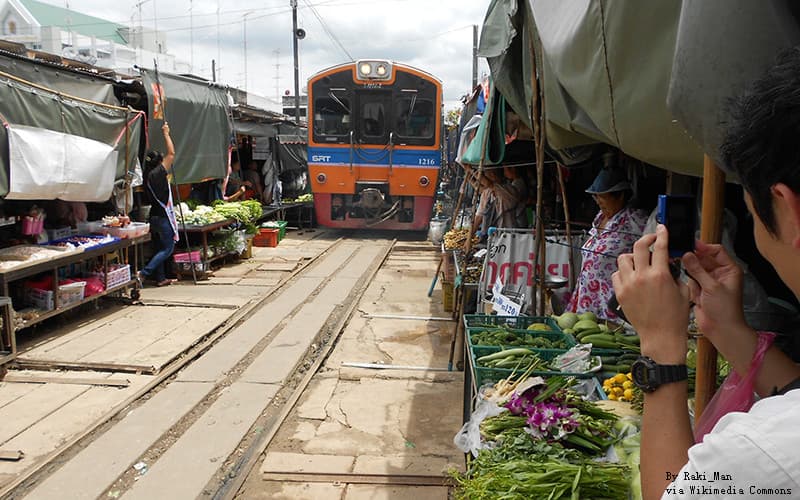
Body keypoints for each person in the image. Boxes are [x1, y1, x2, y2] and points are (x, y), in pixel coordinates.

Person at [612, 48, 800, 500]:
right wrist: (730, 331)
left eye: (752, 211)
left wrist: (659, 349)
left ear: (788, 210)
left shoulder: (766, 451)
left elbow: (670, 492)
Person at [567, 168, 647, 320]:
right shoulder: (600, 217)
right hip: (588, 297)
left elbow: (652, 244)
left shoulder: (634, 219)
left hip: (613, 301)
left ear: (620, 196)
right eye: (596, 197)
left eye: (602, 196)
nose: (598, 202)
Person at [138, 122, 178, 287]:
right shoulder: (158, 174)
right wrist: (166, 133)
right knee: (167, 249)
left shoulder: (147, 175)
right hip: (162, 217)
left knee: (159, 248)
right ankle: (144, 273)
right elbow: (172, 153)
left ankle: (161, 278)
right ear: (159, 162)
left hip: (153, 217)